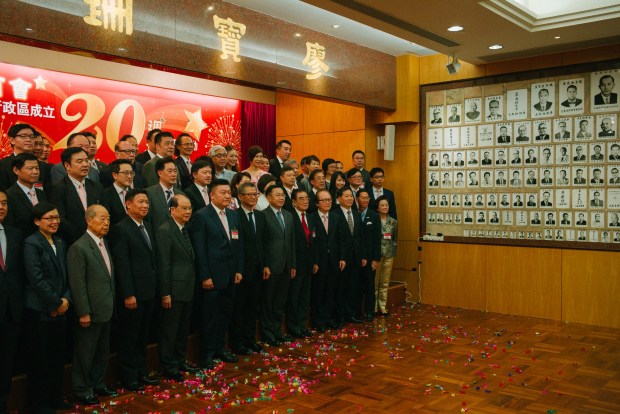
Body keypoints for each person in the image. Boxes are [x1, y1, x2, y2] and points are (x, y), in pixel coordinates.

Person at [23, 202, 73, 413]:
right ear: (37, 221)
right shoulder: (31, 243)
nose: (54, 222)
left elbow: (68, 276)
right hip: (40, 310)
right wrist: (55, 303)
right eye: (49, 218)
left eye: (56, 218)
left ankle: (55, 398)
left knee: (57, 357)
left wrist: (65, 300)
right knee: (40, 360)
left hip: (60, 308)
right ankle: (40, 403)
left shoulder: (60, 241)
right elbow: (36, 279)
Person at [110, 189, 159, 390]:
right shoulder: (120, 229)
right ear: (128, 204)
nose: (145, 206)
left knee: (142, 336)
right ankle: (129, 377)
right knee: (129, 337)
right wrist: (128, 293)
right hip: (133, 295)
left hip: (149, 291)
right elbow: (122, 264)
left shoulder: (147, 226)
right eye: (140, 202)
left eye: (147, 202)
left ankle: (141, 372)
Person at [191, 179, 243, 368]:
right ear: (212, 195)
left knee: (225, 316)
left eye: (229, 192)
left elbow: (238, 245)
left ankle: (221, 349)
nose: (227, 195)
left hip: (230, 275)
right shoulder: (202, 216)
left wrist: (238, 270)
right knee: (209, 318)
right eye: (222, 192)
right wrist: (205, 276)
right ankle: (207, 354)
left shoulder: (233, 215)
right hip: (212, 277)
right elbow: (200, 248)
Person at [67, 205, 115, 406]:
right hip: (90, 311)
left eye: (108, 219)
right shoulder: (79, 247)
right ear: (89, 220)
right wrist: (83, 311)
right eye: (102, 219)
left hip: (106, 307)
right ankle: (81, 388)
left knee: (102, 351)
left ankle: (97, 383)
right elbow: (78, 284)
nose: (106, 223)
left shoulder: (103, 243)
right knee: (85, 352)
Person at [156, 194, 198, 382]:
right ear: (173, 210)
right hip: (173, 291)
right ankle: (168, 365)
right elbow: (164, 264)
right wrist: (165, 293)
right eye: (184, 208)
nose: (188, 211)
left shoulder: (184, 229)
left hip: (187, 288)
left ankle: (180, 361)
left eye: (190, 208)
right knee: (170, 331)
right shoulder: (165, 230)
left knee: (183, 329)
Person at [230, 182, 266, 355]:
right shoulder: (234, 216)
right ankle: (237, 343)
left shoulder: (260, 216)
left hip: (258, 269)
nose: (253, 197)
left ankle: (250, 340)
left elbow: (263, 243)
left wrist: (265, 264)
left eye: (255, 194)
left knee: (252, 308)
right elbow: (236, 246)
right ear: (240, 196)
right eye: (249, 194)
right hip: (242, 271)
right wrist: (239, 268)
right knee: (239, 309)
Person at [260, 184, 296, 345]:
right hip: (271, 266)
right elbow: (261, 244)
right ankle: (268, 334)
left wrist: (293, 264)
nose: (282, 198)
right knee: (268, 301)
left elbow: (292, 242)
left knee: (280, 302)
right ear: (268, 198)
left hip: (286, 266)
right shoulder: (262, 215)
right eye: (277, 195)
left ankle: (277, 331)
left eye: (283, 195)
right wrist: (265, 265)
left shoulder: (288, 215)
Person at [50, 147, 105, 245]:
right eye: (79, 161)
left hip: (98, 240)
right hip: (72, 242)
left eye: (86, 160)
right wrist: (84, 237)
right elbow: (61, 218)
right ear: (67, 166)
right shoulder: (58, 188)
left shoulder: (97, 187)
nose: (85, 164)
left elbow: (104, 213)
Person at [0, 190, 23, 414]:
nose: (1, 207)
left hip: (11, 310)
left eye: (4, 203)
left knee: (6, 364)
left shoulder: (14, 234)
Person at [311, 189, 346, 332]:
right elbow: (311, 243)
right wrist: (314, 261)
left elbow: (342, 240)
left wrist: (343, 257)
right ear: (317, 203)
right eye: (324, 200)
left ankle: (330, 319)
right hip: (319, 262)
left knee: (332, 291)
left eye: (329, 200)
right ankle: (319, 321)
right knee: (319, 292)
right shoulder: (311, 218)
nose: (327, 202)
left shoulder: (337, 217)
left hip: (335, 260)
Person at [286, 189, 317, 336]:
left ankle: (302, 325)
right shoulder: (289, 217)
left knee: (305, 297)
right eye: (301, 199)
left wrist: (315, 262)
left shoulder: (310, 217)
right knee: (294, 297)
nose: (305, 201)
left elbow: (313, 242)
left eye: (306, 198)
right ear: (293, 202)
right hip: (295, 264)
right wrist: (292, 264)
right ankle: (293, 327)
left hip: (309, 264)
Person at [332, 187, 364, 326]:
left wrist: (363, 256)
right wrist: (341, 257)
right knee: (340, 289)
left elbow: (360, 237)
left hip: (356, 257)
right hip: (342, 259)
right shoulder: (335, 214)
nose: (350, 198)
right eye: (346, 196)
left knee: (353, 288)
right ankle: (339, 317)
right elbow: (335, 239)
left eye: (351, 196)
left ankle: (350, 314)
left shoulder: (356, 214)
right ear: (339, 199)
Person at [5, 153, 48, 236]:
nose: (35, 172)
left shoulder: (41, 193)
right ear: (16, 170)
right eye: (30, 168)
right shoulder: (9, 195)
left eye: (37, 168)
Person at [0, 123, 52, 192]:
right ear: (12, 140)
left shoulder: (44, 167)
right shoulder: (2, 165)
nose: (28, 139)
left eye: (31, 137)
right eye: (23, 136)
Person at [357, 189, 381, 322]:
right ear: (357, 199)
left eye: (367, 198)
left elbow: (378, 239)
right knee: (356, 286)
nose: (365, 200)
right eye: (363, 198)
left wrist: (375, 259)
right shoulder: (354, 214)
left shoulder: (373, 215)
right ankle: (357, 312)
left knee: (369, 285)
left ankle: (369, 311)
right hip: (356, 258)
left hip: (370, 257)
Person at [145, 157, 186, 231]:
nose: (173, 174)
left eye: (175, 171)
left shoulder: (181, 195)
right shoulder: (149, 193)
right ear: (159, 173)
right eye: (170, 171)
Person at [374, 195, 397, 318]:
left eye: (386, 205)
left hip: (389, 254)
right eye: (382, 205)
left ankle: (383, 307)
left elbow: (394, 239)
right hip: (376, 255)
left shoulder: (393, 221)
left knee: (385, 281)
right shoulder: (373, 219)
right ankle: (374, 307)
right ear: (377, 207)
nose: (384, 207)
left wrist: (393, 250)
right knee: (375, 282)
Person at [102, 159, 133, 226]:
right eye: (126, 173)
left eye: (131, 173)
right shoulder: (105, 195)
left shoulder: (135, 193)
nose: (130, 176)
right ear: (115, 175)